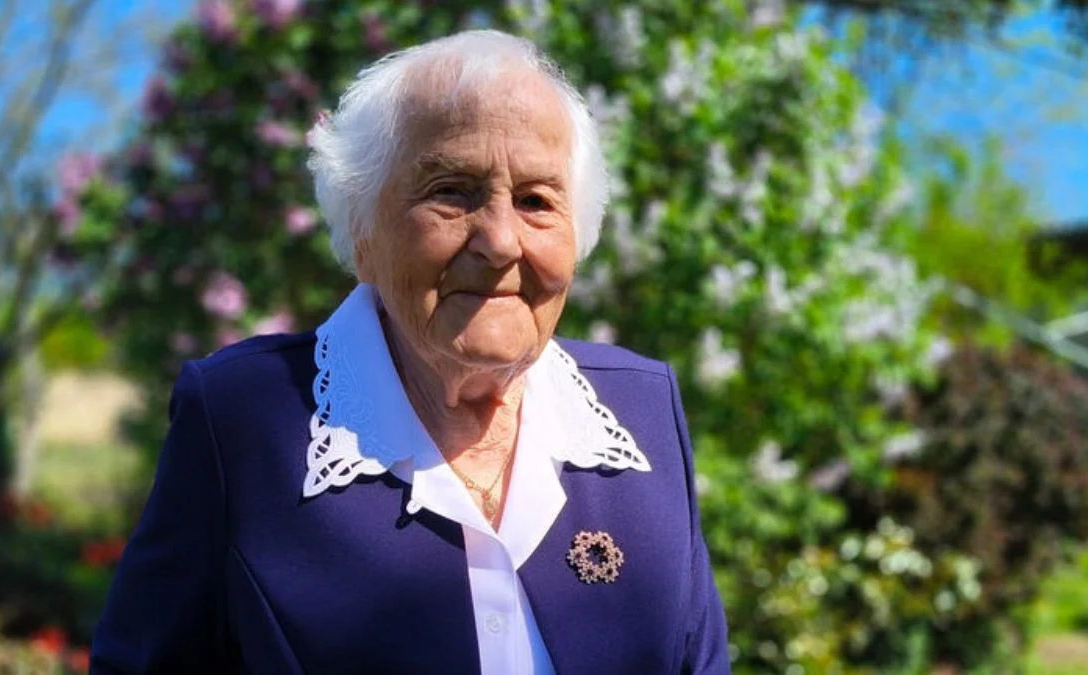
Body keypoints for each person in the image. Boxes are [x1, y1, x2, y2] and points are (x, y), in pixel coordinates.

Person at [91, 29, 730, 675]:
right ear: (361, 229)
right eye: (452, 191)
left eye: (536, 201)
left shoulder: (641, 410)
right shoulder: (242, 418)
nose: (500, 241)